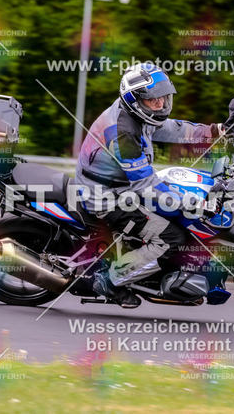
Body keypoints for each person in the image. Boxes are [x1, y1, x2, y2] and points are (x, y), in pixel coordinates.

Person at [75, 63, 226, 308]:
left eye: (163, 97)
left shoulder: (136, 114)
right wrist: (189, 203)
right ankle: (111, 282)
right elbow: (145, 185)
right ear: (135, 101)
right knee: (170, 238)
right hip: (107, 197)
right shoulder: (123, 133)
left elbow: (170, 129)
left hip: (123, 185)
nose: (161, 103)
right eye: (153, 99)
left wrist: (214, 131)